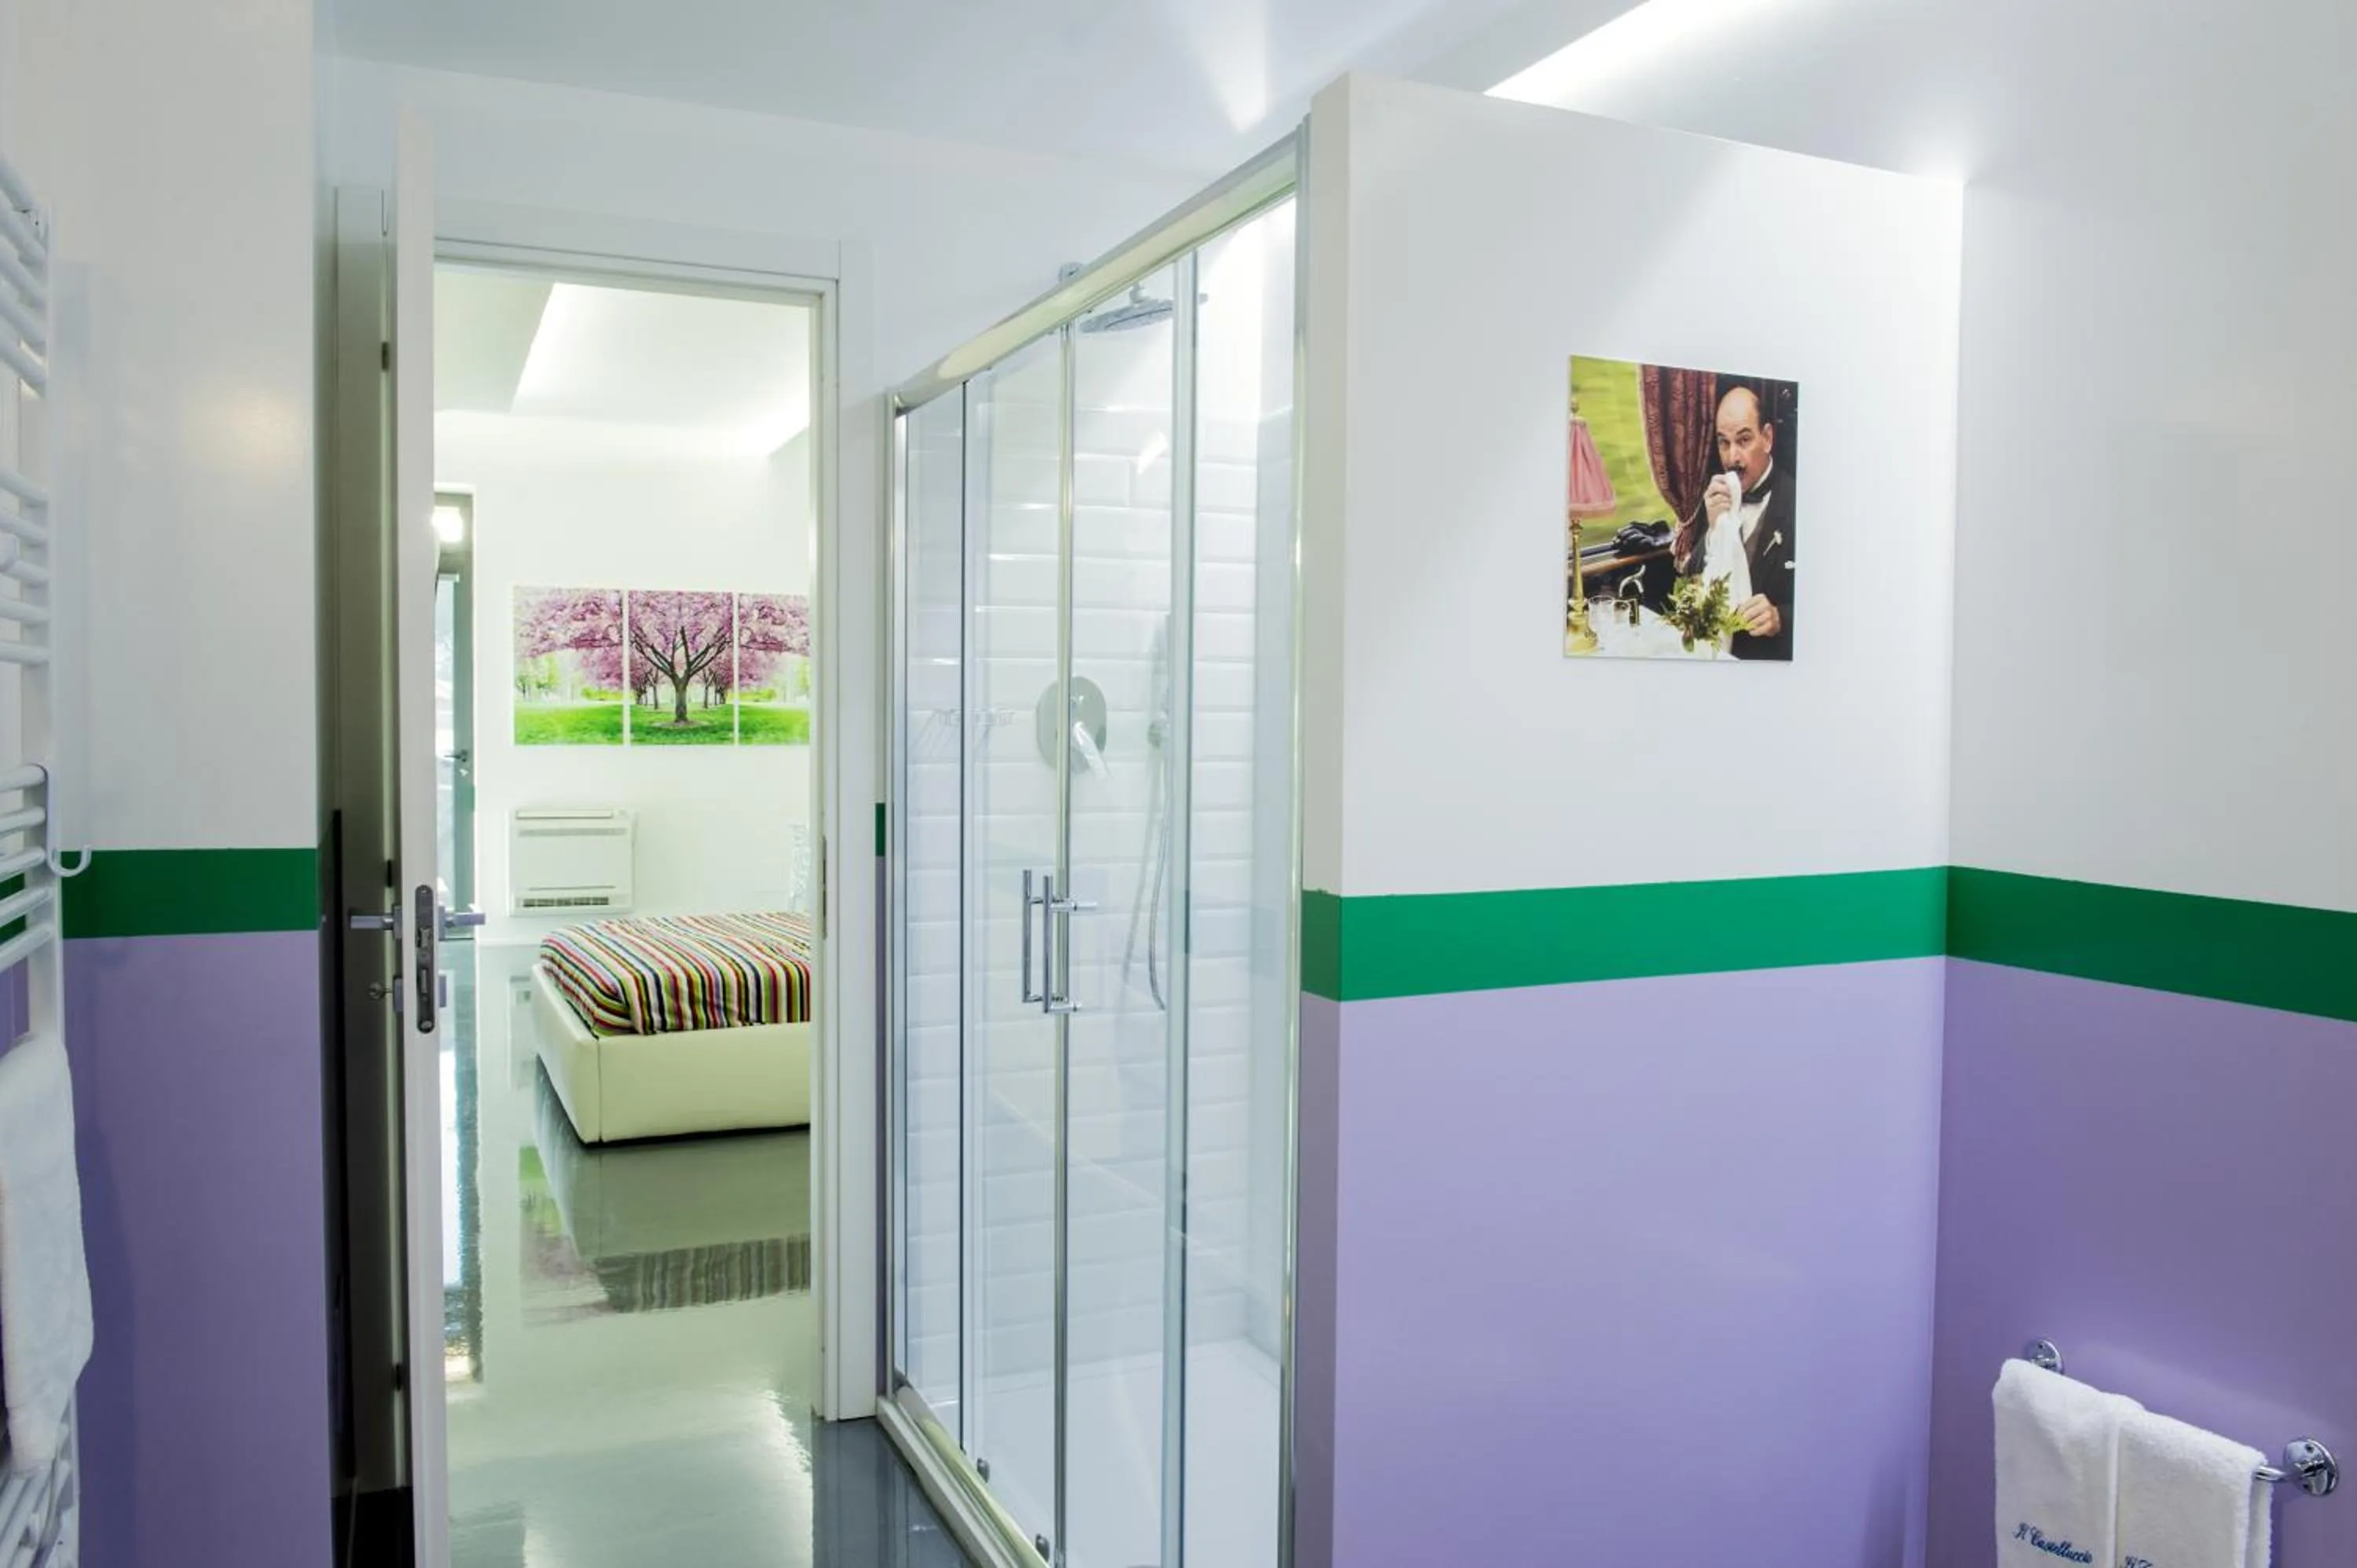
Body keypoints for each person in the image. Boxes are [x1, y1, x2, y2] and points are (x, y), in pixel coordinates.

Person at [1672, 384, 1794, 660]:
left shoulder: (1799, 502)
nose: (1731, 458)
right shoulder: (1714, 493)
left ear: (1767, 438)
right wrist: (1714, 530)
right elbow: (1692, 579)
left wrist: (1780, 618)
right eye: (1723, 443)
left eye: (1743, 440)